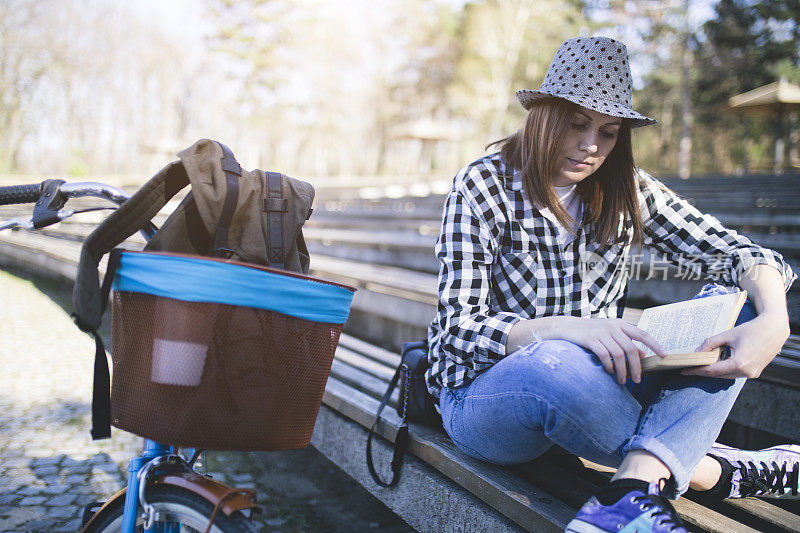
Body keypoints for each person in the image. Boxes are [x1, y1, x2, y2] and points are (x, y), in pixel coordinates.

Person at [425, 36, 799, 533]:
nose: (590, 146)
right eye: (576, 124)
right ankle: (717, 470)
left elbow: (744, 254)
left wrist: (774, 319)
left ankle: (632, 488)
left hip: (600, 384)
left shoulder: (627, 189)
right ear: (543, 115)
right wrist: (564, 329)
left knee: (740, 301)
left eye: (608, 131)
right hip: (484, 398)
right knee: (553, 360)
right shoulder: (483, 186)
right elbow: (456, 328)